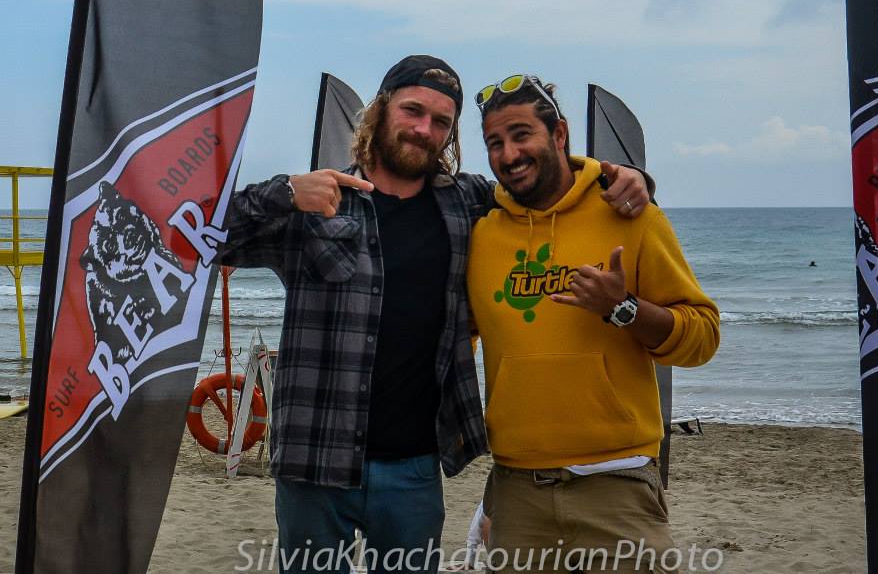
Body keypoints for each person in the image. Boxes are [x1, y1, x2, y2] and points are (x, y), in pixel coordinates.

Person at [218, 56, 653, 574]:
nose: (425, 129)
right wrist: (286, 192)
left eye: (441, 121)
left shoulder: (468, 203)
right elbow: (203, 236)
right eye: (413, 111)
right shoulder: (318, 203)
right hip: (314, 461)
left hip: (414, 468)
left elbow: (545, 186)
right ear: (380, 111)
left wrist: (622, 176)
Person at [466, 75, 720, 573]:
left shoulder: (631, 216)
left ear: (559, 133)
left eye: (521, 134)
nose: (509, 154)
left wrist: (624, 308)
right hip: (518, 490)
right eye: (494, 142)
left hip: (618, 485)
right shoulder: (480, 232)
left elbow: (703, 337)